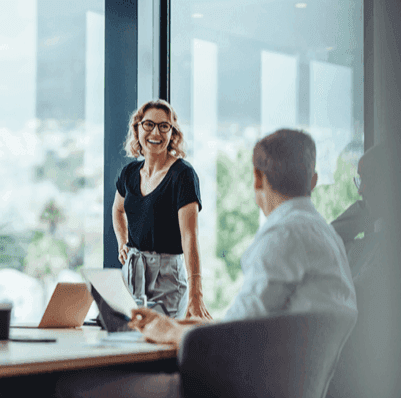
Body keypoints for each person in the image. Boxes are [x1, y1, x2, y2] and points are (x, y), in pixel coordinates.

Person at [56, 129, 357, 398]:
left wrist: (169, 332)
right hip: (279, 387)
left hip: (233, 388)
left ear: (257, 178)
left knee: (73, 386)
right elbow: (256, 322)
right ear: (313, 181)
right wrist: (178, 323)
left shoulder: (282, 235)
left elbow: (235, 339)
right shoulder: (325, 235)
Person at [112, 99, 211, 320]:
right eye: (148, 124)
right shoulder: (129, 173)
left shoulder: (183, 175)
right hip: (132, 273)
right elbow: (118, 210)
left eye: (164, 126)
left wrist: (196, 294)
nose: (155, 132)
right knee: (130, 345)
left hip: (167, 277)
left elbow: (190, 237)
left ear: (172, 133)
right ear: (137, 128)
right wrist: (122, 242)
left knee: (160, 347)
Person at [327, 141, 401, 397]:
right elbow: (326, 242)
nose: (362, 191)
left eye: (370, 181)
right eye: (360, 181)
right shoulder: (363, 245)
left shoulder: (390, 251)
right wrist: (364, 211)